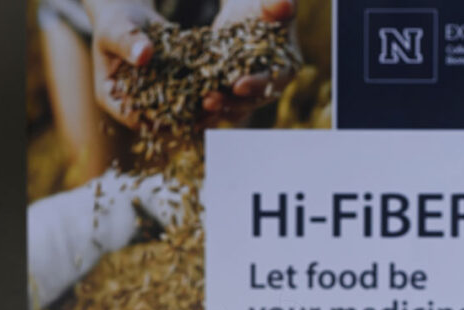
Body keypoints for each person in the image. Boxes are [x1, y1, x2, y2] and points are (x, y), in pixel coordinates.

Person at [38, 0, 300, 183]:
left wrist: (266, 19)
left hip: (216, 14)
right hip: (86, 11)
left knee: (229, 187)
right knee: (97, 188)